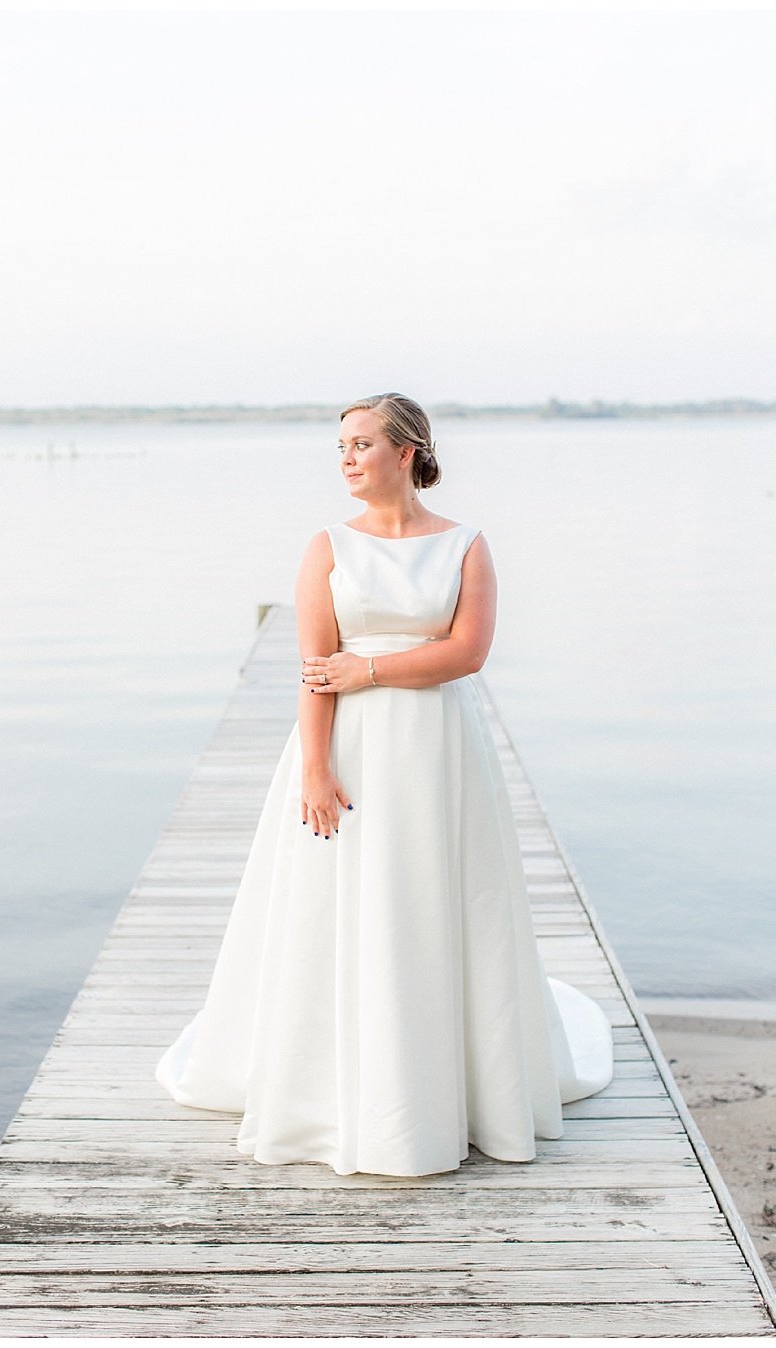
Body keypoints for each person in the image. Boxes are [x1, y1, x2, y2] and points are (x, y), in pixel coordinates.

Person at [155, 393, 613, 1177]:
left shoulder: (465, 545)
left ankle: (456, 1086)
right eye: (341, 445)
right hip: (353, 750)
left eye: (362, 443)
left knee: (437, 898)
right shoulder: (327, 546)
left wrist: (368, 667)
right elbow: (313, 669)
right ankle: (335, 1091)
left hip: (439, 749)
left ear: (408, 452)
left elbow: (467, 653)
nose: (346, 458)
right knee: (342, 907)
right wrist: (313, 766)